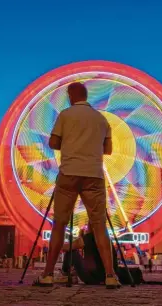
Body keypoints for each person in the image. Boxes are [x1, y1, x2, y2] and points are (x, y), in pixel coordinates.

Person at [34, 82, 120, 289]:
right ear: (86, 96)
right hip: (94, 175)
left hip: (69, 173)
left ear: (72, 95)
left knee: (59, 225)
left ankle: (47, 275)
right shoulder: (102, 119)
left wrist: (72, 142)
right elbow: (107, 149)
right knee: (99, 226)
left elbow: (53, 143)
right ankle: (110, 275)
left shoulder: (65, 115)